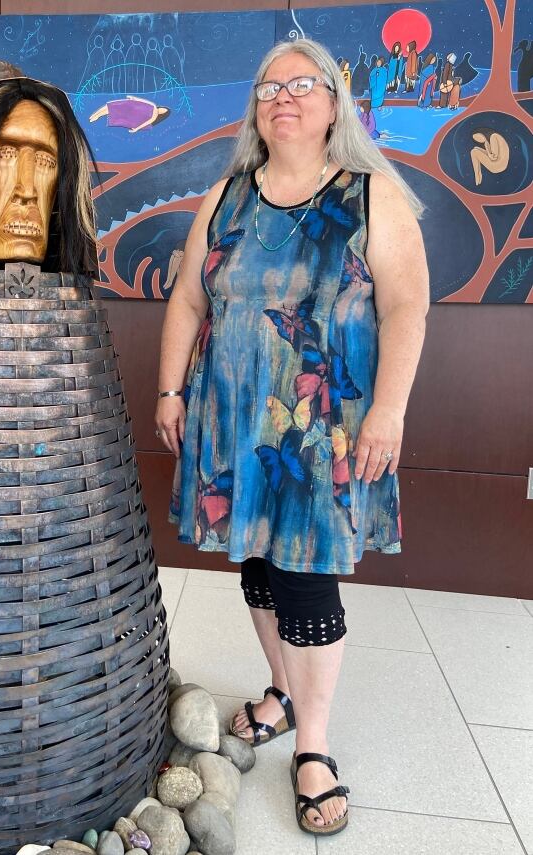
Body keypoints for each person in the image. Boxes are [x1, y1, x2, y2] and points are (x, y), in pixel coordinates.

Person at [157, 37, 429, 836]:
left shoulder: (371, 194)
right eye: (270, 86)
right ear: (256, 110)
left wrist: (390, 409)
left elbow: (406, 307)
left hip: (327, 429)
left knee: (307, 577)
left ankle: (313, 743)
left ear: (334, 102)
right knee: (257, 562)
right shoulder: (228, 195)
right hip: (235, 418)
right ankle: (280, 689)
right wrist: (171, 388)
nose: (285, 96)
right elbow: (186, 300)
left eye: (303, 83)